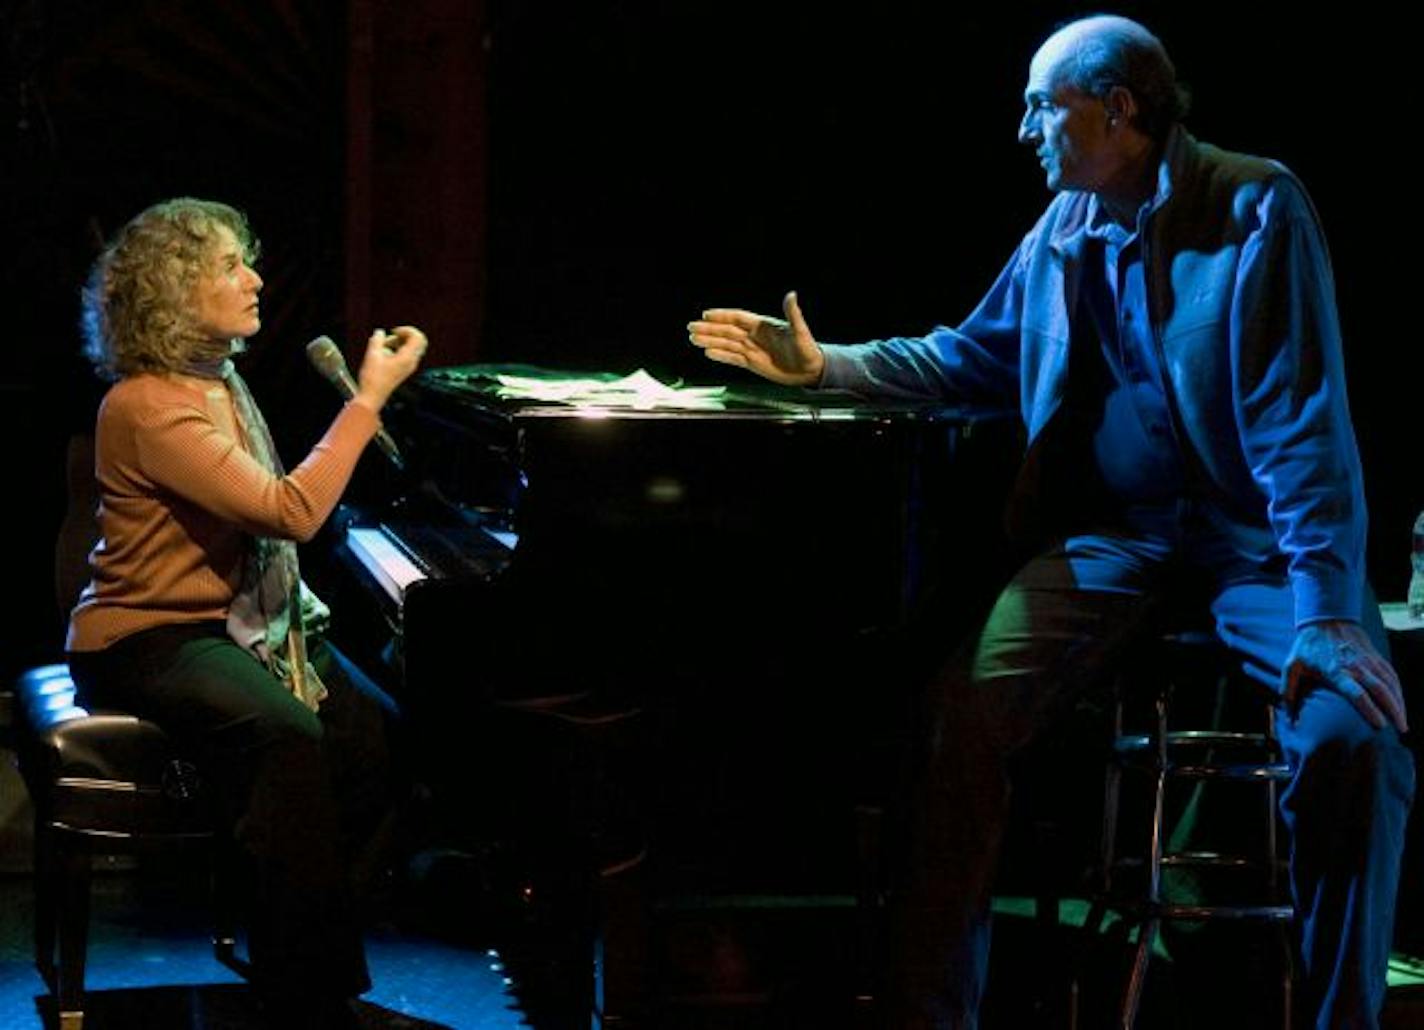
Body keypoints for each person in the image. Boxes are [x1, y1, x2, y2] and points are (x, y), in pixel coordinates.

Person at [688, 14, 1413, 1029]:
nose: (1024, 127)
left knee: (1353, 737)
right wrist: (827, 368)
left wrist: (1327, 608)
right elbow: (968, 355)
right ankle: (926, 1015)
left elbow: (1303, 424)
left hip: (1251, 546)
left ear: (1114, 109)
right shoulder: (1063, 226)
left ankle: (1344, 1019)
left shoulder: (1253, 205)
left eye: (1042, 105)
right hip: (1113, 543)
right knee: (963, 710)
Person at [64, 197, 427, 1028]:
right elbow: (290, 513)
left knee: (375, 743)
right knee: (284, 736)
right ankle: (310, 992)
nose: (256, 278)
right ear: (174, 291)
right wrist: (365, 402)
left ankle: (287, 942)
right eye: (231, 265)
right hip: (145, 637)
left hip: (228, 626)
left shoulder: (217, 381)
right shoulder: (148, 404)